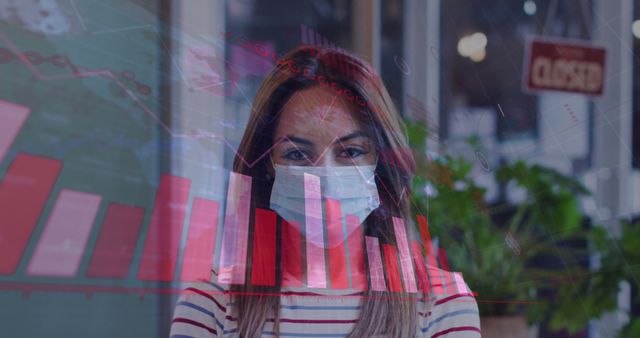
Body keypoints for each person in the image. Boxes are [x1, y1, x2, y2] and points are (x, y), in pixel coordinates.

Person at [170, 45, 480, 337]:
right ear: (266, 165)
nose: (326, 177)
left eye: (352, 151)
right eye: (297, 154)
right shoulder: (210, 306)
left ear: (382, 164)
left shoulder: (443, 304)